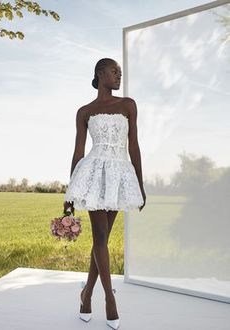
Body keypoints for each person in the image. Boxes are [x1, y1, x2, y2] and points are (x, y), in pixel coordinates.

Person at [63, 58, 146, 329]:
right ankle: (110, 299)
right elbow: (77, 151)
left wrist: (141, 185)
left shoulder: (128, 105)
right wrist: (70, 193)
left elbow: (134, 146)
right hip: (92, 173)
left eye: (120, 72)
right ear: (100, 74)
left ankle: (86, 294)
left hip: (119, 175)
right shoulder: (85, 111)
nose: (118, 76)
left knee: (102, 240)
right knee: (100, 237)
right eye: (114, 71)